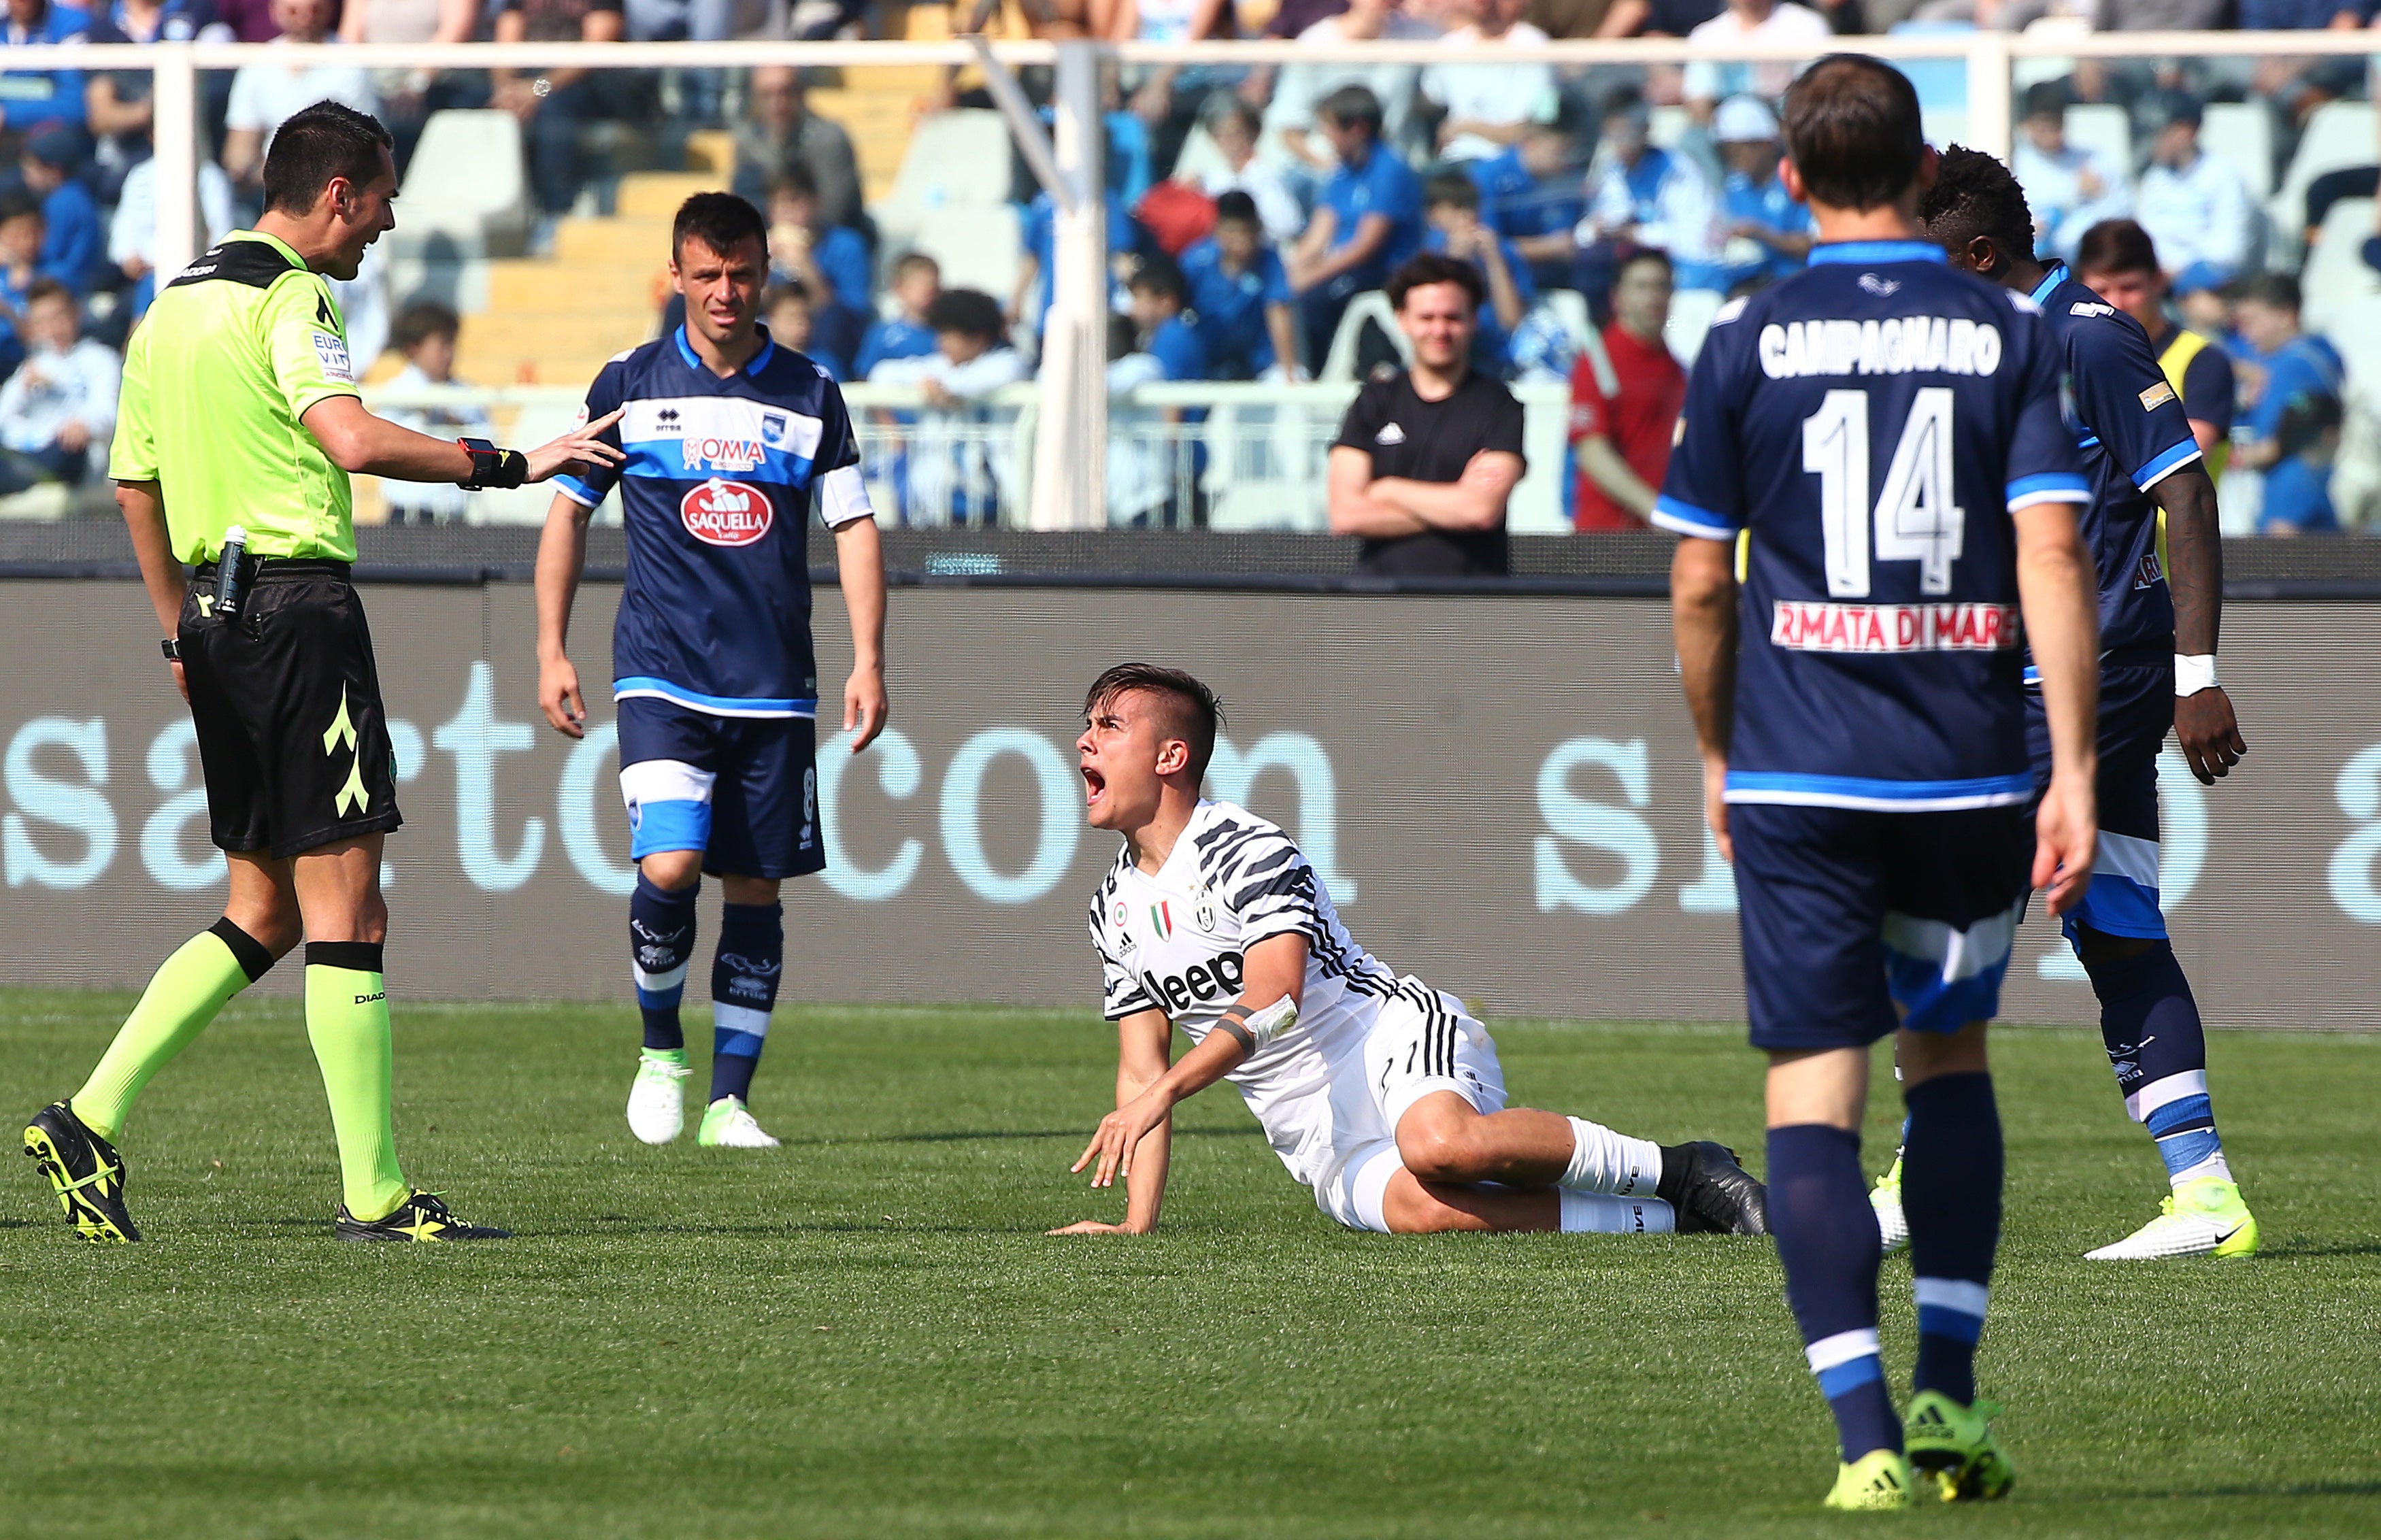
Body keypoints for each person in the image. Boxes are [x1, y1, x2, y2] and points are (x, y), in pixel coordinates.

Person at [22, 101, 620, 1245]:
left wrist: (175, 633)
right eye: (384, 197)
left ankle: (89, 1114)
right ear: (338, 191)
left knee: (265, 906)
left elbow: (134, 488)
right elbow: (347, 436)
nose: (388, 223)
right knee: (350, 908)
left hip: (213, 618)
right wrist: (510, 460)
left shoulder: (170, 310)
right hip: (298, 613)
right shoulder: (292, 295)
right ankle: (378, 1196)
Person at [1657, 56, 2101, 1509]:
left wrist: (1719, 753)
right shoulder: (2003, 331)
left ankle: (1861, 1446)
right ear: (1921, 170)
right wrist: (2076, 766)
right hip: (1962, 770)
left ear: (1788, 178)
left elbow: (1699, 589)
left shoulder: (1741, 337)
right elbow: (2051, 555)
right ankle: (1951, 1405)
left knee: (1810, 1095)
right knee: (1951, 1060)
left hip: (1800, 773)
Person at [1058, 663, 1770, 1239]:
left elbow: (1274, 999)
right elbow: (1138, 1072)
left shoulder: (1245, 848)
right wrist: (1134, 1222)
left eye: (1108, 725)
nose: (1084, 740)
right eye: (1086, 725)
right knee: (1424, 1210)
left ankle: (1681, 1170)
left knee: (1442, 1145)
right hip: (1313, 1130)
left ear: (1171, 755)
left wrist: (1161, 1091)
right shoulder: (1109, 909)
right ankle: (1673, 1218)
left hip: (1383, 1036)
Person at [1913, 148, 2257, 1264]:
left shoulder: (2089, 335)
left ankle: (1920, 1179)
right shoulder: (1993, 351)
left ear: (1977, 255)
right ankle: (2204, 1190)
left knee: (1949, 903)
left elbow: (2186, 492)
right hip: (2027, 674)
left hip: (2096, 673)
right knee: (2113, 921)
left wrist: (2198, 674)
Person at [534, 192, 888, 1151]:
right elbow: (567, 511)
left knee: (756, 889)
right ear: (677, 277)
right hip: (660, 673)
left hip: (776, 685)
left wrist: (868, 660)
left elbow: (853, 527)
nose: (726, 292)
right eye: (707, 276)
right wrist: (550, 646)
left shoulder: (813, 391)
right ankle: (661, 1053)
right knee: (672, 863)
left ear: (765, 271)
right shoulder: (631, 381)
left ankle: (730, 1104)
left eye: (741, 274)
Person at [1327, 252, 1524, 577]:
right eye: (1426, 317)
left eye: (1452, 318)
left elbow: (1480, 510)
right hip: (1378, 606)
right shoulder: (1373, 403)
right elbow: (1347, 514)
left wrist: (1388, 489)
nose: (1439, 330)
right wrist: (1453, 505)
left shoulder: (1500, 406)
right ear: (1402, 319)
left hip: (1474, 606)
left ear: (1473, 320)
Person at [2074, 218, 2235, 480]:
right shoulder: (2067, 361)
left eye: (2130, 288)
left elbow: (2182, 467)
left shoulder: (2204, 362)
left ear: (2158, 281)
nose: (2116, 303)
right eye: (2101, 290)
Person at [1287, 85, 1424, 373]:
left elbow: (1366, 246)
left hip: (1382, 271)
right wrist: (1292, 272)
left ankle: (1316, 376)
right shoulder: (1343, 172)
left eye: (1330, 128)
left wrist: (1310, 277)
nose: (1325, 136)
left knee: (1315, 301)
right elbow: (1319, 234)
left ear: (1357, 129)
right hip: (1345, 266)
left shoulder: (1389, 170)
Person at [867, 286, 1029, 524]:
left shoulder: (1009, 363)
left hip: (995, 499)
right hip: (937, 501)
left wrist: (946, 389)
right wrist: (925, 383)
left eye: (948, 335)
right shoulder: (941, 366)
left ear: (978, 337)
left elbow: (984, 379)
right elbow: (880, 374)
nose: (940, 343)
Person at [491, 0, 635, 222]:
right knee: (472, 104)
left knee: (555, 112)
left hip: (582, 85)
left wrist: (538, 90)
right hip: (527, 83)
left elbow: (595, 49)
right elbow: (506, 43)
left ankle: (556, 214)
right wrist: (504, 90)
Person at [1569, 248, 1682, 531]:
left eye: (1661, 286)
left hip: (1663, 535)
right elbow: (1592, 451)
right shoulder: (1597, 361)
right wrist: (1654, 510)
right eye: (1641, 286)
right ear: (1617, 297)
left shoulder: (1678, 369)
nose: (1653, 296)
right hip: (1608, 538)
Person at [1578, 92, 1720, 306]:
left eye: (1627, 133)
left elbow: (1695, 240)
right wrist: (1596, 229)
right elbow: (1591, 227)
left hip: (1682, 268)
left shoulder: (1678, 171)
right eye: (1613, 135)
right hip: (1630, 266)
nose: (1620, 143)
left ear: (1645, 129)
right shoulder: (1611, 171)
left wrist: (1638, 234)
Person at [221, 0, 378, 194]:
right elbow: (239, 147)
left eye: (314, 10)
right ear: (275, 11)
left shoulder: (351, 64)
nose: (305, 18)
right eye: (294, 11)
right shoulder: (259, 63)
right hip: (266, 187)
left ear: (329, 9)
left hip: (332, 186)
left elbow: (358, 147)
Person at [2233, 272, 2346, 535]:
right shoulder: (2309, 355)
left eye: (2251, 322)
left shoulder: (2294, 364)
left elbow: (2303, 432)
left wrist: (2232, 459)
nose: (2245, 334)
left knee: (2282, 572)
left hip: (2292, 496)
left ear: (2286, 315)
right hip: (2290, 490)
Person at [376, 299, 492, 525]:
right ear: (414, 347)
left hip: (456, 516)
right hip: (408, 515)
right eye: (442, 345)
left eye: (452, 344)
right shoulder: (394, 392)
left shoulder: (468, 394)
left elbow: (489, 440)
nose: (449, 353)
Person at [0, 278, 115, 495]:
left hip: (69, 452)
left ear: (75, 313)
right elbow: (3, 420)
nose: (54, 327)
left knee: (66, 449)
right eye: (43, 321)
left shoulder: (100, 359)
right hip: (27, 451)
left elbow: (109, 411)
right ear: (32, 327)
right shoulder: (31, 367)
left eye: (59, 316)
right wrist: (21, 389)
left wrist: (85, 424)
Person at [2132, 95, 2254, 297]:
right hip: (2157, 282)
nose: (2151, 142)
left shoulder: (2223, 177)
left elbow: (2229, 252)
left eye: (2158, 134)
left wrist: (2180, 274)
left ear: (2186, 132)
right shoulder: (2155, 178)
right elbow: (2145, 235)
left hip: (2208, 285)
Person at [1418, 0, 1561, 165]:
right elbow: (1431, 101)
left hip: (1513, 162)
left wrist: (1463, 128)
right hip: (1456, 160)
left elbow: (1538, 122)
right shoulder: (1450, 46)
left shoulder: (1534, 44)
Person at [1420, 171, 1533, 374]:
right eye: (1456, 209)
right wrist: (1455, 262)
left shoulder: (1504, 251)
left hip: (1498, 359)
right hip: (1448, 352)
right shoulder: (1431, 256)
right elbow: (1435, 314)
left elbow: (1511, 322)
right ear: (1434, 216)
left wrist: (1494, 260)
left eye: (1471, 207)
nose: (1468, 217)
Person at [1180, 190, 1299, 381]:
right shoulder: (1195, 261)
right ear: (1217, 230)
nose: (1241, 239)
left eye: (1247, 230)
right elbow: (1173, 309)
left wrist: (1288, 372)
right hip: (1206, 361)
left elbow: (1278, 311)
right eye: (1233, 231)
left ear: (1258, 228)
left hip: (1258, 364)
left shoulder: (1269, 261)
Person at [2009, 83, 2130, 269]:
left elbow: (2122, 212)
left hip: (2089, 263)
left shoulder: (2092, 159)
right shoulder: (2016, 163)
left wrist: (2099, 194)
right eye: (2043, 125)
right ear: (2027, 124)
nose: (2051, 133)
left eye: (2056, 124)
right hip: (2035, 265)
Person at [733, 65, 863, 234]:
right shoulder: (748, 142)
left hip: (828, 240)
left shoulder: (829, 138)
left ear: (801, 93)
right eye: (767, 95)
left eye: (786, 92)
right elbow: (742, 209)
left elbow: (837, 208)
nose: (778, 104)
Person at [1705, 94, 1812, 293]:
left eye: (1742, 149)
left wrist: (1763, 235)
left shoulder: (1798, 181)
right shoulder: (1734, 188)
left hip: (1797, 284)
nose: (1734, 158)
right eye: (1727, 151)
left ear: (1766, 144)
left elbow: (1814, 244)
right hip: (1749, 285)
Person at [1468, 120, 1586, 293]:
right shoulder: (1488, 176)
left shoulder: (1566, 177)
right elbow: (1485, 244)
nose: (1565, 160)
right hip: (1498, 284)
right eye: (1560, 151)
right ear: (1530, 142)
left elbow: (1565, 239)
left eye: (1570, 152)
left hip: (1553, 279)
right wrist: (1548, 248)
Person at [1679, 0, 1831, 120]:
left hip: (1785, 125)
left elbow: (1813, 95)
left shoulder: (1807, 26)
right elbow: (1698, 99)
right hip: (1721, 132)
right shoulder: (1706, 35)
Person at [20, 124, 98, 293]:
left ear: (54, 172)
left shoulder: (63, 202)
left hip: (67, 283)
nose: (26, 176)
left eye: (32, 169)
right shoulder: (75, 194)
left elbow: (51, 252)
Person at [1, 0, 92, 135]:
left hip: (51, 133)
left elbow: (75, 104)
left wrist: (8, 114)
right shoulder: (4, 25)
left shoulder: (71, 24)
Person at [853, 250, 939, 380]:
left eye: (934, 287)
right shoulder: (882, 335)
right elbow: (864, 376)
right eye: (920, 286)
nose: (929, 292)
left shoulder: (946, 335)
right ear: (899, 288)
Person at [764, 278, 846, 380]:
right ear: (772, 321)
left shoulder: (825, 363)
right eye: (792, 316)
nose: (801, 323)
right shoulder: (761, 363)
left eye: (806, 316)